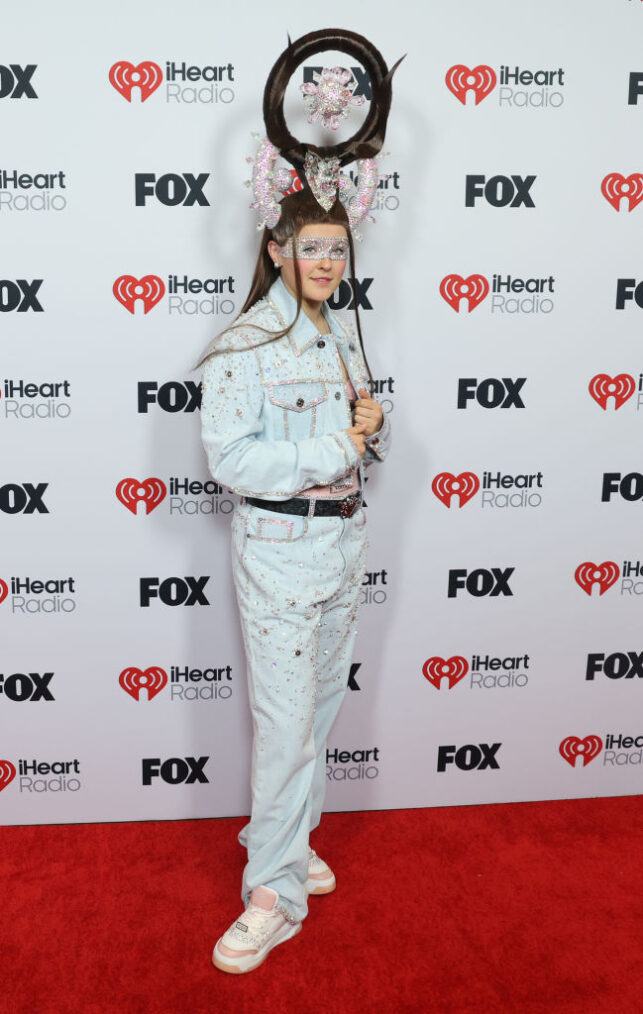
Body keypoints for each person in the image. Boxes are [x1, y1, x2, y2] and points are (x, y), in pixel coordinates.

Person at [199, 28, 400, 974]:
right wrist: (335, 441)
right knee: (283, 733)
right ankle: (270, 893)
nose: (324, 262)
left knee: (317, 717)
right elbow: (230, 458)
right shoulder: (245, 343)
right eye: (309, 248)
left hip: (341, 552)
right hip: (278, 557)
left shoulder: (337, 336)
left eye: (335, 249)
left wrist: (371, 428)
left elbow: (360, 449)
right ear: (277, 247)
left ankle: (294, 846)